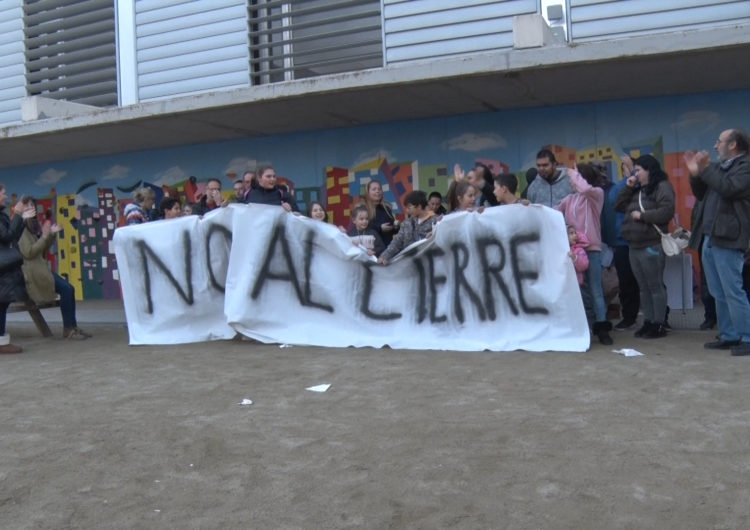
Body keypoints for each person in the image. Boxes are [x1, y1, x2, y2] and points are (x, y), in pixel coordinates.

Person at [685, 128, 750, 356]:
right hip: (710, 236)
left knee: (733, 290)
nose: (715, 146)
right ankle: (729, 335)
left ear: (733, 145)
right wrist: (695, 174)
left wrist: (705, 169)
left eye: (719, 141)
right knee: (717, 291)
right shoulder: (719, 169)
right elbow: (702, 193)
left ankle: (747, 337)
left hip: (729, 237)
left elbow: (728, 189)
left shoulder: (745, 167)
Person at [614, 155, 676, 339]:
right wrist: (628, 186)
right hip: (634, 245)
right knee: (643, 287)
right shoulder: (637, 189)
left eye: (639, 170)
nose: (636, 174)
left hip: (652, 245)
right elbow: (618, 204)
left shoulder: (662, 187)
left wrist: (643, 216)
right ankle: (648, 321)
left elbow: (667, 211)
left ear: (649, 170)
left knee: (655, 286)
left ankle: (658, 323)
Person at [18, 197, 91, 340]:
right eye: (27, 206)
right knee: (67, 289)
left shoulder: (33, 226)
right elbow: (29, 253)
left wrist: (51, 235)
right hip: (33, 273)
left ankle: (71, 327)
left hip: (41, 269)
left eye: (33, 205)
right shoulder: (21, 229)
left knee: (68, 288)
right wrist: (45, 237)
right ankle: (69, 329)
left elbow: (43, 250)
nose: (31, 208)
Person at [556, 163, 612, 344]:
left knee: (596, 289)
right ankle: (585, 327)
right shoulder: (569, 199)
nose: (572, 182)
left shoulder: (596, 195)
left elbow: (585, 188)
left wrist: (573, 174)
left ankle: (602, 327)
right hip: (574, 251)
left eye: (575, 178)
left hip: (592, 250)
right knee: (580, 290)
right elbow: (552, 212)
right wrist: (528, 207)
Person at [608, 155, 641, 331]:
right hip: (623, 241)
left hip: (644, 239)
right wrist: (628, 179)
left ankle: (659, 319)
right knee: (626, 282)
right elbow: (614, 199)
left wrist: (635, 174)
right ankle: (629, 317)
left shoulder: (647, 185)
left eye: (636, 169)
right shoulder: (620, 187)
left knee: (650, 281)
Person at [0, 187, 30, 353]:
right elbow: (6, 237)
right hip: (2, 267)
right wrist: (17, 215)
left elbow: (13, 237)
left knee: (2, 303)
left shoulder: (2, 215)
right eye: (3, 193)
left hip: (5, 267)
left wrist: (22, 219)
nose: (5, 196)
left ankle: (2, 341)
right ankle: (1, 343)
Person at [379, 191, 438, 264]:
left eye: (409, 207)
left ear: (419, 206)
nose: (407, 210)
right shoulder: (407, 223)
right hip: (409, 265)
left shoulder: (436, 222)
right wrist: (384, 256)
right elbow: (397, 242)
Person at [364, 180, 397, 247]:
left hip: (387, 248)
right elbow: (362, 227)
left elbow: (392, 230)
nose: (377, 191)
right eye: (374, 189)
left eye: (379, 189)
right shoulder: (363, 208)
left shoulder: (386, 208)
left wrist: (396, 227)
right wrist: (379, 228)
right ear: (368, 192)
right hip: (372, 249)